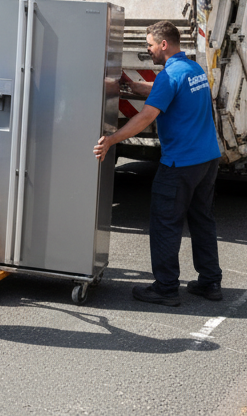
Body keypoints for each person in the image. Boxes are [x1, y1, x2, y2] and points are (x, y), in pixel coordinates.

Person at [92, 20, 223, 307]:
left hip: (180, 163)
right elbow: (162, 88)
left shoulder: (169, 76)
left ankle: (166, 288)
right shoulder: (192, 69)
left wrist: (112, 139)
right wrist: (131, 85)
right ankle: (210, 281)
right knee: (202, 219)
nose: (147, 50)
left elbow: (147, 116)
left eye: (150, 45)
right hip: (207, 160)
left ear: (164, 44)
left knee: (165, 222)